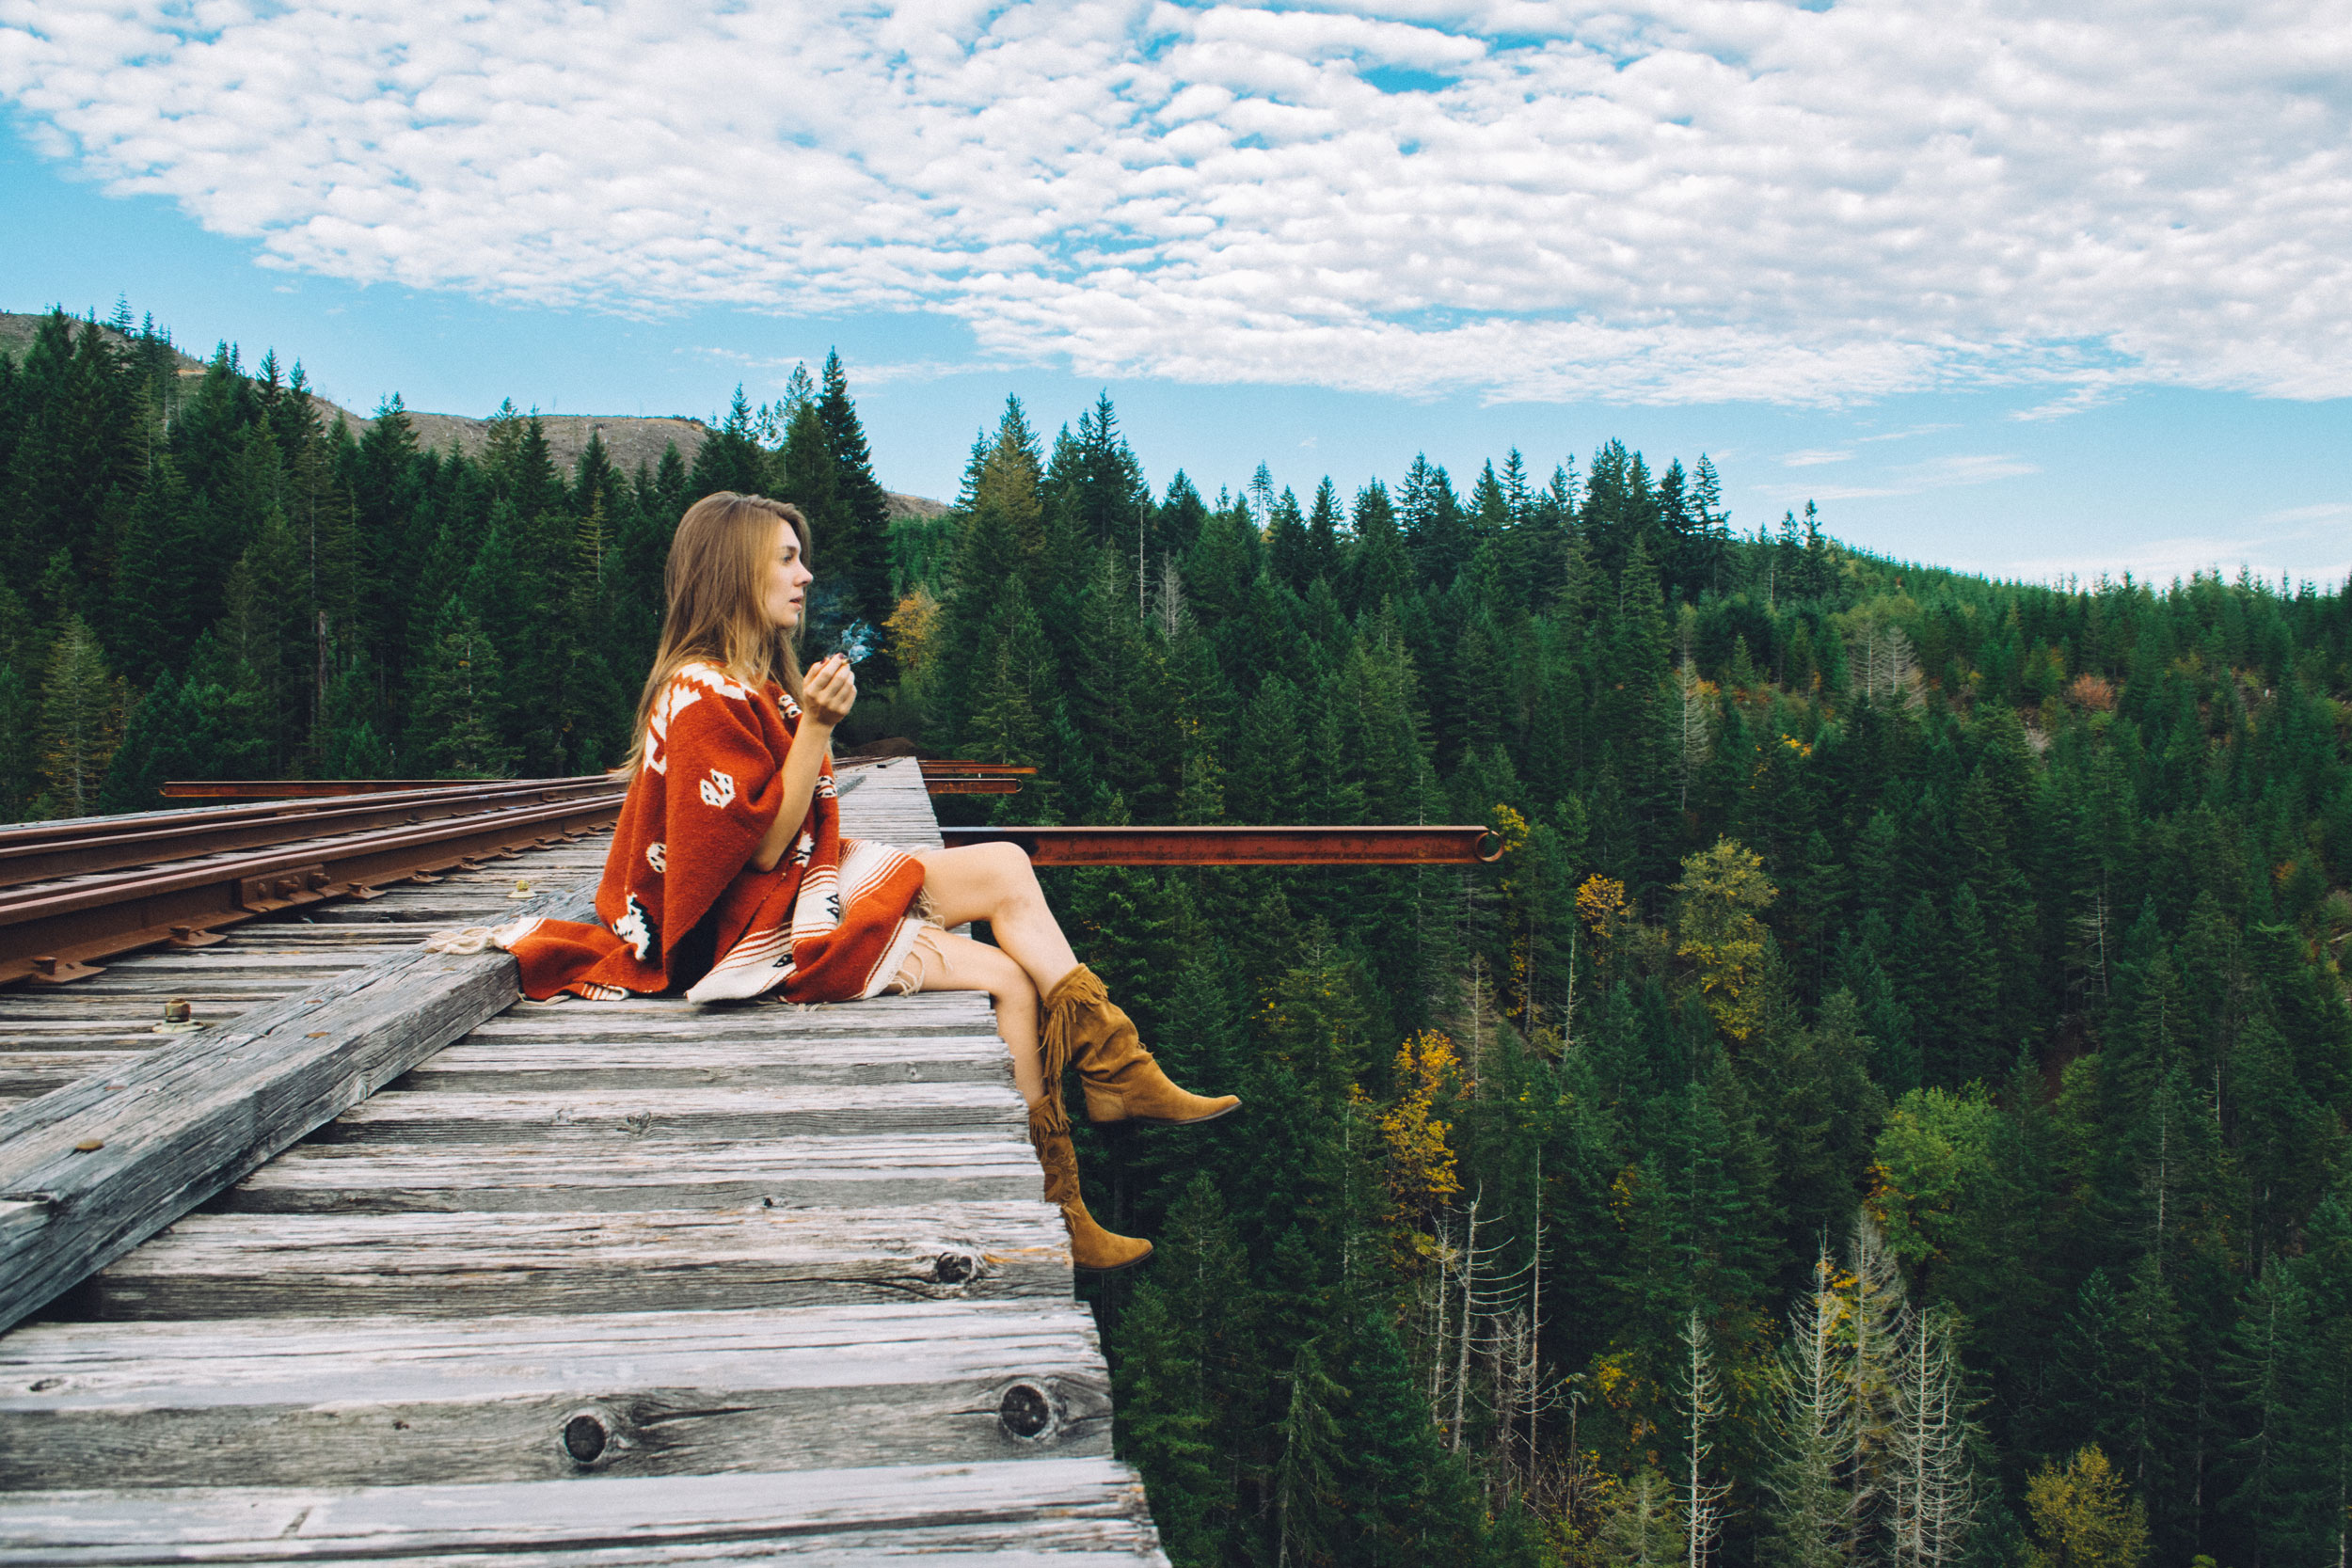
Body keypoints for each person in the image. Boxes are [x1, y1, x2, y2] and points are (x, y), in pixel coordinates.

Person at [495, 491, 1236, 1271]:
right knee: (1010, 985)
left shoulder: (749, 680)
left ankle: (1117, 1069)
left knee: (1008, 867)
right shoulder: (699, 692)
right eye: (786, 558)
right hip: (753, 934)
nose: (805, 574)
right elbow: (756, 852)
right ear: (733, 571)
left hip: (793, 890)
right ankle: (1059, 1210)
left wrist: (806, 720)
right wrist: (815, 726)